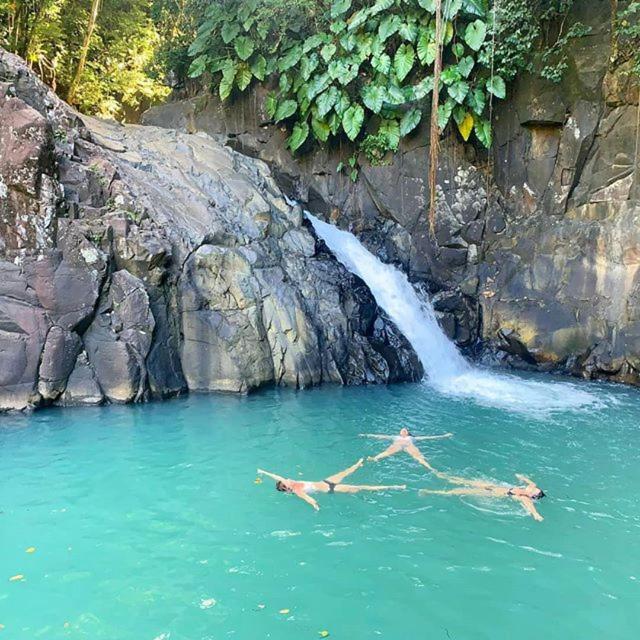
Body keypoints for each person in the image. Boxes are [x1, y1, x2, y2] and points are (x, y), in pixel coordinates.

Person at [257, 458, 406, 511]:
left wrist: (263, 472)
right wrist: (315, 505)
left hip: (326, 481)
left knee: (346, 472)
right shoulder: (296, 490)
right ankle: (394, 487)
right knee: (361, 487)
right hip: (331, 488)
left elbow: (277, 476)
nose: (286, 481)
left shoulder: (293, 482)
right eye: (284, 484)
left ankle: (358, 463)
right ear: (286, 488)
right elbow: (308, 499)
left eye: (285, 481)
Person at [420, 472, 546, 521]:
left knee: (457, 491)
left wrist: (536, 514)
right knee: (462, 481)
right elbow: (531, 482)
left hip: (492, 493)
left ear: (532, 496)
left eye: (533, 491)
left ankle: (430, 492)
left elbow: (529, 506)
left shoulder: (524, 497)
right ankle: (442, 476)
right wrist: (521, 477)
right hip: (492, 486)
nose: (532, 488)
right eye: (534, 488)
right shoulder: (530, 488)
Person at [360, 428, 453, 471]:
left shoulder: (412, 438)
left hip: (409, 446)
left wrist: (444, 436)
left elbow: (428, 437)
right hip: (398, 445)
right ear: (400, 433)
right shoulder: (395, 437)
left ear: (408, 433)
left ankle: (430, 468)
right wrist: (367, 435)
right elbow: (381, 436)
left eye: (405, 430)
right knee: (386, 452)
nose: (403, 430)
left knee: (419, 458)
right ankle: (375, 458)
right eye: (402, 430)